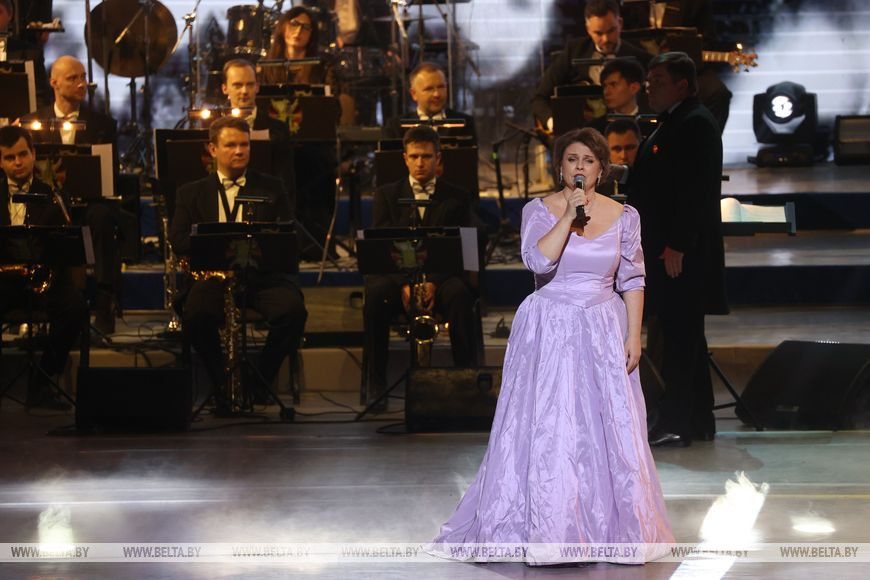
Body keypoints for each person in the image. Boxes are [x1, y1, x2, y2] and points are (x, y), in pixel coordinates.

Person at [427, 127, 673, 565]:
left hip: (603, 325)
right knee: (551, 426)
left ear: (602, 169)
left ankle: (610, 527)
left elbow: (633, 279)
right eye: (572, 159)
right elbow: (538, 262)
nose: (580, 167)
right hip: (550, 325)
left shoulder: (625, 216)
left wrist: (634, 334)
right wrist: (567, 218)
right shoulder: (538, 210)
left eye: (589, 160)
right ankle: (550, 527)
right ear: (560, 167)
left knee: (607, 429)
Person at [170, 117, 307, 409]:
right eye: (230, 145)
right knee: (195, 315)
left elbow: (288, 235)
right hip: (213, 278)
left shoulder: (272, 187)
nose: (239, 151)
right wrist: (217, 245)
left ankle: (260, 384)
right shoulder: (190, 192)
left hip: (261, 277)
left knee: (293, 312)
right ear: (212, 149)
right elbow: (178, 240)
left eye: (244, 144)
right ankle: (222, 384)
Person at [627, 52, 727, 447]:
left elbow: (695, 191)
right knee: (686, 336)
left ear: (681, 84)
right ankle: (699, 420)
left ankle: (676, 422)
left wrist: (678, 245)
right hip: (672, 250)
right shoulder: (676, 121)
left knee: (680, 340)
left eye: (657, 81)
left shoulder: (694, 123)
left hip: (681, 254)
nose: (649, 88)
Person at [364, 126, 479, 406]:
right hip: (399, 280)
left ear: (438, 158)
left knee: (460, 295)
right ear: (405, 158)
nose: (420, 163)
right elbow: (382, 251)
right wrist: (406, 284)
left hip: (442, 279)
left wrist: (433, 282)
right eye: (414, 156)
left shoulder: (457, 196)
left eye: (426, 156)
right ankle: (376, 387)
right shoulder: (386, 195)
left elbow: (465, 251)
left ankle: (467, 384)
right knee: (376, 296)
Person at [19, 55, 121, 336]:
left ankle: (104, 303)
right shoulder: (31, 122)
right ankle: (35, 301)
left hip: (87, 204)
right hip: (47, 205)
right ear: (53, 82)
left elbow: (109, 172)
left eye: (83, 77)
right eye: (72, 78)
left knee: (102, 217)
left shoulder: (102, 124)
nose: (81, 84)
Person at [0, 125, 87, 410]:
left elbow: (64, 248)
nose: (18, 162)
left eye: (23, 154)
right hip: (5, 281)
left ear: (33, 154)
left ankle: (43, 381)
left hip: (42, 279)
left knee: (75, 308)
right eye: (9, 157)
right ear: (0, 161)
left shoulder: (51, 195)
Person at [532, 0, 651, 131]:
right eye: (599, 33)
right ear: (588, 29)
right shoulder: (574, 52)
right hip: (581, 132)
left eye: (611, 30)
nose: (606, 39)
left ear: (620, 23)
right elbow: (540, 97)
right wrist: (554, 123)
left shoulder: (640, 57)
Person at [385, 62, 477, 145]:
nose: (437, 94)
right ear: (414, 94)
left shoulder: (464, 123)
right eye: (429, 89)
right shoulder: (395, 127)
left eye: (441, 87)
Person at [261, 6, 334, 87]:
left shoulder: (322, 67)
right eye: (294, 24)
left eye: (306, 27)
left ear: (312, 34)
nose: (298, 31)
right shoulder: (266, 65)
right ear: (283, 27)